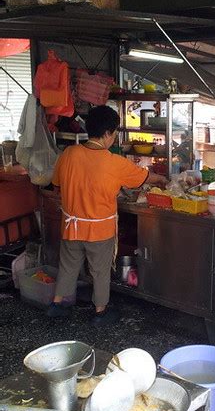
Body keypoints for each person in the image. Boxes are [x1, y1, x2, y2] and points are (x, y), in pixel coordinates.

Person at [47, 105, 167, 325]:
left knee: (68, 265)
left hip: (71, 226)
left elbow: (56, 185)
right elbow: (144, 177)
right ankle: (100, 312)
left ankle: (58, 304)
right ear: (106, 134)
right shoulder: (114, 162)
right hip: (99, 230)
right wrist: (162, 179)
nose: (113, 138)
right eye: (113, 134)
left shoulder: (69, 154)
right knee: (100, 271)